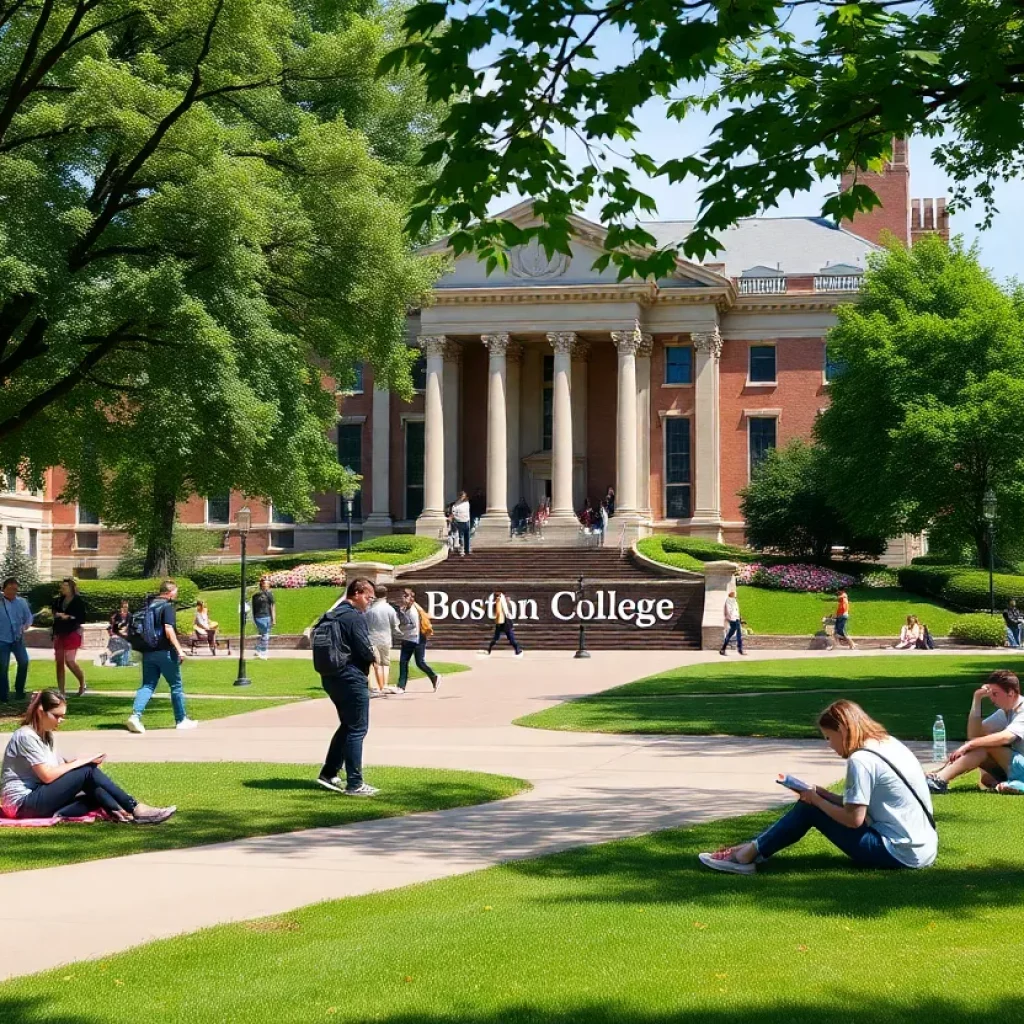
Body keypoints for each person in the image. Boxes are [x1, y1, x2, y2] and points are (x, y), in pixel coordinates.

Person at [699, 699, 936, 875]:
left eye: (828, 738)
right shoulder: (887, 743)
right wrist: (823, 794)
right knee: (813, 804)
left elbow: (854, 819)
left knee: (809, 809)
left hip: (899, 853)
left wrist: (816, 801)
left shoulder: (861, 760)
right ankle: (752, 849)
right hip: (923, 848)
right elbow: (861, 805)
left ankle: (745, 857)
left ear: (842, 730)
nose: (829, 746)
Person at [2, 689, 175, 822]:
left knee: (95, 790)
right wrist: (82, 763)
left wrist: (85, 763)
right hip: (22, 804)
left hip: (37, 796)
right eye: (57, 716)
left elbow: (60, 769)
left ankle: (119, 812)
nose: (60, 721)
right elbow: (47, 776)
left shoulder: (46, 735)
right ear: (40, 712)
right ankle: (135, 808)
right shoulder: (25, 736)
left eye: (63, 716)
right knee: (87, 772)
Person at [316, 577, 378, 796]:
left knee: (347, 725)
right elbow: (364, 649)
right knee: (358, 728)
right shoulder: (354, 617)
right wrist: (374, 657)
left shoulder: (332, 614)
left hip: (330, 676)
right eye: (369, 597)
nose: (370, 602)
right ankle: (355, 783)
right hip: (351, 676)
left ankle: (329, 772)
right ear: (358, 593)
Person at [926, 669, 1024, 795]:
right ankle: (938, 776)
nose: (991, 698)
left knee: (983, 745)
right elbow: (974, 735)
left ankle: (938, 780)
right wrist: (977, 698)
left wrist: (969, 745)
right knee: (986, 776)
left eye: (995, 694)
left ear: (1010, 692)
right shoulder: (1006, 711)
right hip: (1018, 765)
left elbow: (1006, 737)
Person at [126, 580, 197, 734]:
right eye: (176, 591)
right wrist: (180, 650)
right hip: (165, 651)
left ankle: (135, 716)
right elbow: (168, 629)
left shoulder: (147, 606)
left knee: (148, 685)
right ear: (170, 592)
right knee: (176, 686)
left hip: (148, 652)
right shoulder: (167, 606)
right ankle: (181, 719)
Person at [395, 587, 440, 694]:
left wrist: (400, 628)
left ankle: (434, 676)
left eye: (406, 596)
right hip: (407, 638)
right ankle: (401, 686)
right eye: (403, 596)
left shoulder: (413, 611)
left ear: (411, 598)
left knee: (419, 662)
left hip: (416, 639)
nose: (403, 598)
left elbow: (413, 627)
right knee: (403, 662)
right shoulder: (404, 609)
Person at [51, 578, 87, 697]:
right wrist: (58, 614)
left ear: (71, 588)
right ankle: (61, 691)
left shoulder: (78, 601)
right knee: (59, 662)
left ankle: (82, 683)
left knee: (70, 661)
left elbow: (81, 618)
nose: (63, 588)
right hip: (59, 632)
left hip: (72, 632)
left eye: (65, 586)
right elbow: (54, 612)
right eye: (62, 586)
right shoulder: (59, 600)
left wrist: (69, 617)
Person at [1, 576, 33, 704]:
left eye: (15, 589)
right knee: (2, 667)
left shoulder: (21, 602)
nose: (12, 592)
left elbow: (29, 617)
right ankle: (3, 694)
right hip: (2, 639)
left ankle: (19, 690)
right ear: (4, 589)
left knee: (24, 661)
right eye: (10, 589)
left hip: (17, 639)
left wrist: (25, 626)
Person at [365, 584, 401, 696]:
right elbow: (395, 625)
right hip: (385, 639)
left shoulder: (370, 609)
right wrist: (399, 632)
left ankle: (374, 686)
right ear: (386, 595)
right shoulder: (389, 609)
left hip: (371, 638)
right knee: (385, 663)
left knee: (374, 663)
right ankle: (384, 685)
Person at [486, 589, 523, 656]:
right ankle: (517, 650)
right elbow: (502, 612)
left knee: (496, 638)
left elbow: (499, 612)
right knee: (511, 638)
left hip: (500, 623)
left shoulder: (499, 602)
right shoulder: (500, 602)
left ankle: (489, 649)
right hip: (505, 623)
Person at [251, 575, 276, 659]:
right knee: (265, 635)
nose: (266, 586)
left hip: (267, 616)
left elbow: (272, 607)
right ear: (261, 585)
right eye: (264, 585)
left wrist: (273, 619)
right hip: (259, 617)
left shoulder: (269, 594)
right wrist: (254, 619)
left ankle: (258, 649)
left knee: (264, 635)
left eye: (267, 585)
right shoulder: (256, 595)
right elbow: (253, 608)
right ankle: (263, 652)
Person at [104, 600, 134, 668]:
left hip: (124, 637)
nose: (126, 609)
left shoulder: (129, 615)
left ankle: (122, 662)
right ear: (121, 608)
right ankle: (113, 660)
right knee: (125, 646)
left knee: (128, 646)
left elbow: (129, 627)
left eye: (127, 607)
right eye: (124, 607)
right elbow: (113, 628)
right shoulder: (117, 615)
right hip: (116, 636)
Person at [720, 588, 746, 656]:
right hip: (733, 619)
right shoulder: (728, 601)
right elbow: (728, 610)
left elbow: (736, 610)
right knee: (738, 635)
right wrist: (731, 619)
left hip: (736, 619)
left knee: (733, 634)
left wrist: (740, 618)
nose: (736, 595)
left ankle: (723, 649)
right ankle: (740, 650)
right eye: (735, 594)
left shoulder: (734, 601)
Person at [450, 490, 472, 555]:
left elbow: (466, 511)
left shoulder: (467, 503)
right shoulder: (456, 505)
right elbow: (453, 513)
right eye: (462, 496)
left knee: (467, 536)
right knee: (461, 537)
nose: (463, 497)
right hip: (459, 522)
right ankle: (462, 550)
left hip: (467, 521)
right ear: (459, 496)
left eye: (464, 496)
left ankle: (467, 550)